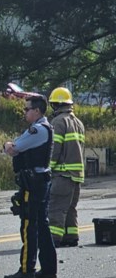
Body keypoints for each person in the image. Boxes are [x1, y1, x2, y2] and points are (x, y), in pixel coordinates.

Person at [3, 94, 57, 278]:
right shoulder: (42, 128)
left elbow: (13, 149)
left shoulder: (38, 130)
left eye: (27, 109)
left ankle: (27, 270)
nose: (24, 112)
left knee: (29, 225)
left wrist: (8, 144)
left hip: (33, 183)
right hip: (40, 180)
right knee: (41, 224)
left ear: (37, 111)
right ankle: (49, 269)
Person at [47, 87, 85, 247]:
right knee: (70, 208)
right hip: (76, 174)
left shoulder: (58, 121)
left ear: (54, 105)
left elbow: (54, 149)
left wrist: (47, 168)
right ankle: (71, 236)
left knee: (56, 207)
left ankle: (54, 239)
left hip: (62, 174)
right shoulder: (78, 122)